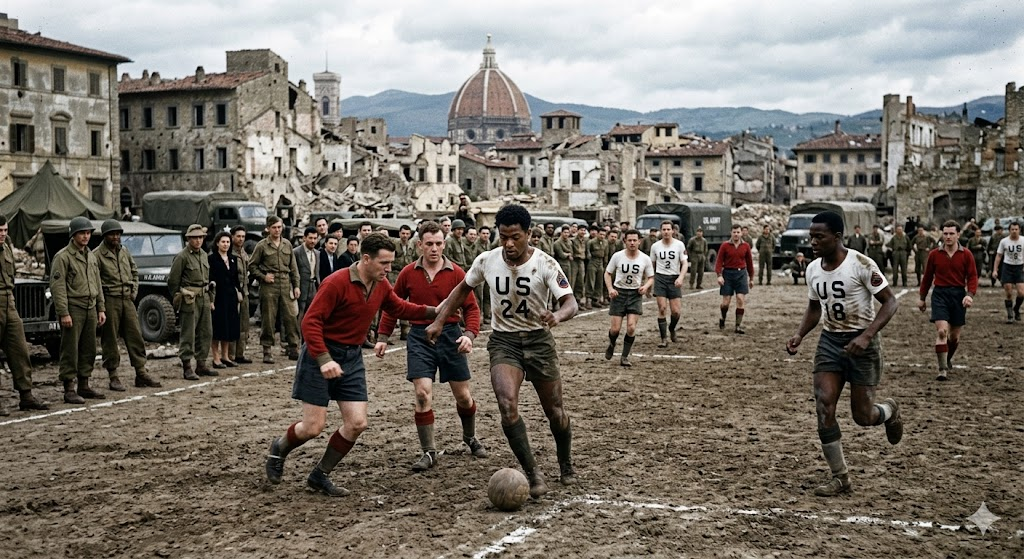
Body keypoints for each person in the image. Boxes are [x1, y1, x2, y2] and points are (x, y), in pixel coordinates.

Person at [264, 233, 436, 497]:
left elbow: (399, 308)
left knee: (357, 423)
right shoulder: (336, 283)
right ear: (365, 259)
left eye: (391, 264)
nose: (389, 269)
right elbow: (310, 322)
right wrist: (324, 359)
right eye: (384, 263)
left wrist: (436, 311)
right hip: (319, 355)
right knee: (312, 427)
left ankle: (320, 475)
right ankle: (280, 447)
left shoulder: (381, 284)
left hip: (351, 358)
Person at [425, 204, 579, 498]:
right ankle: (532, 472)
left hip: (538, 341)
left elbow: (570, 302)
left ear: (528, 234)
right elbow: (462, 289)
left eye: (515, 237)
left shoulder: (546, 264)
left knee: (555, 412)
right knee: (507, 407)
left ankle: (565, 463)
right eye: (503, 236)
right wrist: (439, 320)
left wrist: (557, 316)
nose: (508, 244)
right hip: (504, 342)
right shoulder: (486, 260)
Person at [786, 211, 902, 497]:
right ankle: (841, 478)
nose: (812, 241)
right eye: (811, 236)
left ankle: (889, 411)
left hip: (863, 343)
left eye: (819, 236)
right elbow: (815, 307)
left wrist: (866, 335)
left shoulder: (862, 264)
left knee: (863, 416)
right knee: (824, 405)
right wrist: (800, 334)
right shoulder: (812, 269)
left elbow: (890, 303)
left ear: (837, 237)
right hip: (830, 342)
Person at [376, 221, 488, 471]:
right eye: (429, 244)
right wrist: (383, 336)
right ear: (419, 245)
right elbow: (393, 305)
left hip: (451, 336)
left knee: (463, 396)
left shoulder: (457, 273)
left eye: (438, 243)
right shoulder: (407, 273)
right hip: (419, 337)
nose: (434, 249)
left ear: (444, 244)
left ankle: (470, 437)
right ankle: (428, 452)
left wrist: (469, 334)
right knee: (422, 393)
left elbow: (471, 308)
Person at [95, 219, 161, 390]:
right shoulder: (97, 255)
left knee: (135, 336)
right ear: (105, 236)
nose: (116, 237)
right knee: (110, 339)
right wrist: (101, 305)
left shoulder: (124, 251)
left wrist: (134, 291)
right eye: (112, 234)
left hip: (127, 299)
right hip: (110, 299)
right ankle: (113, 376)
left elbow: (134, 271)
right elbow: (95, 281)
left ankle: (141, 372)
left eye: (118, 234)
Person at [51, 217, 107, 403]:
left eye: (88, 233)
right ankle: (69, 388)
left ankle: (84, 384)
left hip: (90, 307)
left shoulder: (91, 256)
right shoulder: (63, 257)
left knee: (89, 348)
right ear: (73, 235)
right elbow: (58, 287)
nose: (86, 236)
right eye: (82, 233)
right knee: (70, 348)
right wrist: (63, 312)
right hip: (73, 308)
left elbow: (97, 283)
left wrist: (101, 308)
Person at [0, 215, 49, 412]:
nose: (2, 234)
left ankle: (26, 394)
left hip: (8, 301)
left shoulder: (7, 247)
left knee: (19, 348)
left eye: (5, 230)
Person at [919, 220, 978, 380]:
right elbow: (927, 277)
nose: (948, 237)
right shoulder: (934, 254)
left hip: (958, 295)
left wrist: (969, 295)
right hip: (940, 294)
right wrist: (922, 298)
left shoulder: (966, 254)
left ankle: (948, 358)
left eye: (951, 233)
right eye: (945, 233)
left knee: (954, 337)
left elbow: (972, 276)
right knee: (941, 331)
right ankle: (942, 369)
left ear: (958, 234)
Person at [249, 216, 301, 364]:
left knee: (290, 317)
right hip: (269, 286)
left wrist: (296, 285)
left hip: (285, 283)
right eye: (274, 227)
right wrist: (263, 277)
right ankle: (267, 350)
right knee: (269, 318)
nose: (277, 230)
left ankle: (293, 347)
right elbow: (252, 266)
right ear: (268, 229)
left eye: (279, 227)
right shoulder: (262, 246)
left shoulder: (287, 245)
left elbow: (293, 268)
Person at [169, 224, 216, 380]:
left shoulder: (203, 254)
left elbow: (207, 278)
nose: (198, 240)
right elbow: (173, 281)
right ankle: (187, 366)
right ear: (188, 239)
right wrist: (179, 297)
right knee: (188, 333)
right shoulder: (182, 256)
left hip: (204, 296)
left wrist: (211, 298)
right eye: (194, 238)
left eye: (200, 237)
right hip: (189, 299)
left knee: (206, 332)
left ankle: (201, 364)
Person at [605, 229, 655, 366]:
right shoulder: (617, 256)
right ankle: (612, 343)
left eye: (635, 240)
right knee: (615, 329)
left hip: (635, 294)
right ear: (625, 241)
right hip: (619, 293)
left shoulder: (645, 258)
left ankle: (624, 357)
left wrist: (645, 287)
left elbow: (651, 277)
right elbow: (607, 273)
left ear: (639, 241)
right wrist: (610, 289)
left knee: (631, 327)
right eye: (629, 240)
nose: (632, 243)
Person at [651, 220, 687, 347]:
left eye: (668, 229)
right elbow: (652, 265)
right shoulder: (655, 246)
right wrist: (650, 281)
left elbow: (684, 263)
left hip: (674, 278)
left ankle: (672, 329)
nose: (666, 232)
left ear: (673, 231)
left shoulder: (679, 245)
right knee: (662, 308)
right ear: (661, 231)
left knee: (676, 311)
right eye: (664, 229)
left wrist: (681, 277)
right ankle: (663, 338)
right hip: (660, 278)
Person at [208, 231, 241, 369]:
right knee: (218, 328)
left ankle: (225, 356)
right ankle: (216, 358)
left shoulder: (233, 258)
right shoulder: (212, 259)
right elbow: (210, 279)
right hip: (218, 297)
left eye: (228, 242)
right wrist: (210, 299)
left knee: (229, 328)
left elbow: (235, 278)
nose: (226, 244)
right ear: (217, 243)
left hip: (230, 297)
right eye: (223, 242)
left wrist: (239, 291)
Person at [715, 225, 754, 334]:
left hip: (741, 273)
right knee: (726, 302)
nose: (736, 234)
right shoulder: (725, 246)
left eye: (738, 232)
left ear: (742, 233)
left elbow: (750, 263)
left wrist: (751, 278)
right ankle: (722, 318)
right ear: (731, 233)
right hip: (728, 274)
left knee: (740, 299)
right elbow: (718, 261)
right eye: (734, 232)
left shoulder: (746, 246)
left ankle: (738, 325)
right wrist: (719, 275)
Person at [991, 221, 1024, 323]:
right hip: (1008, 267)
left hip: (1019, 267)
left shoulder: (1023, 240)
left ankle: (1016, 309)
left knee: (1021, 293)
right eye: (1012, 229)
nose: (1014, 231)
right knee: (1008, 292)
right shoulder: (1004, 241)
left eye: (1016, 229)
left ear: (1019, 230)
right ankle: (1010, 315)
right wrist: (995, 270)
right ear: (1009, 230)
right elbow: (999, 256)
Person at [230, 226, 253, 364]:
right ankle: (230, 355)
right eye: (238, 236)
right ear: (232, 236)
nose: (241, 239)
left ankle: (240, 353)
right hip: (234, 292)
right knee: (233, 323)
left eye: (243, 237)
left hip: (245, 292)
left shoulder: (243, 252)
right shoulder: (230, 253)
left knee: (244, 324)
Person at [295, 226, 320, 326]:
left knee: (311, 314)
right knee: (299, 314)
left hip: (313, 287)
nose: (313, 241)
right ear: (304, 238)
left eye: (315, 238)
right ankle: (297, 339)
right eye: (310, 238)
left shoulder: (317, 253)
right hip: (301, 287)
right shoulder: (296, 252)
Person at [586, 225, 609, 309]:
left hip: (601, 262)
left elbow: (606, 254)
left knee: (599, 282)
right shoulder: (591, 242)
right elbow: (588, 253)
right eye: (600, 234)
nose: (602, 236)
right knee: (591, 281)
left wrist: (605, 264)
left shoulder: (605, 242)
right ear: (597, 234)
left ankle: (596, 299)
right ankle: (588, 299)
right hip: (593, 261)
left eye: (603, 235)